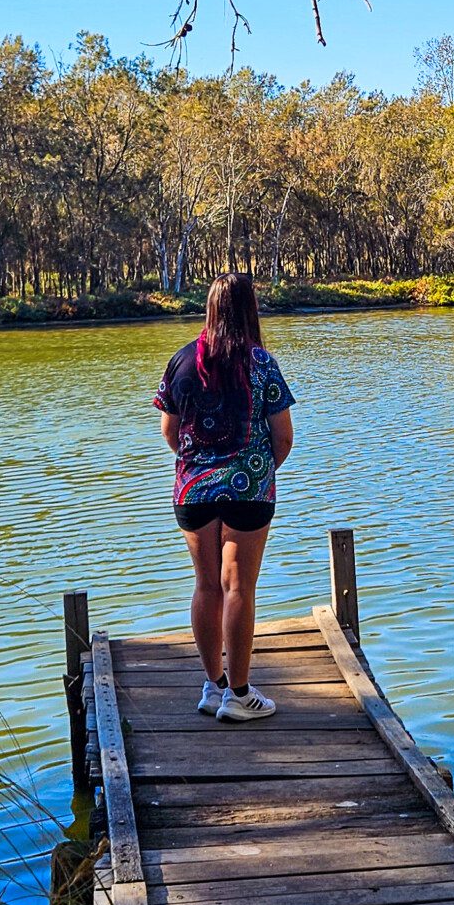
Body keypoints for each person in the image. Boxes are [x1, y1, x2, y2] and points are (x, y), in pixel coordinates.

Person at [154, 271, 296, 722]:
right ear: (249, 309)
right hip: (249, 487)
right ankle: (239, 694)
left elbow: (169, 431)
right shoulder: (263, 363)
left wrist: (200, 466)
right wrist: (253, 470)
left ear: (211, 308)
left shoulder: (181, 361)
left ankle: (213, 688)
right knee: (239, 586)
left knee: (205, 584)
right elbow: (284, 438)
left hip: (193, 489)